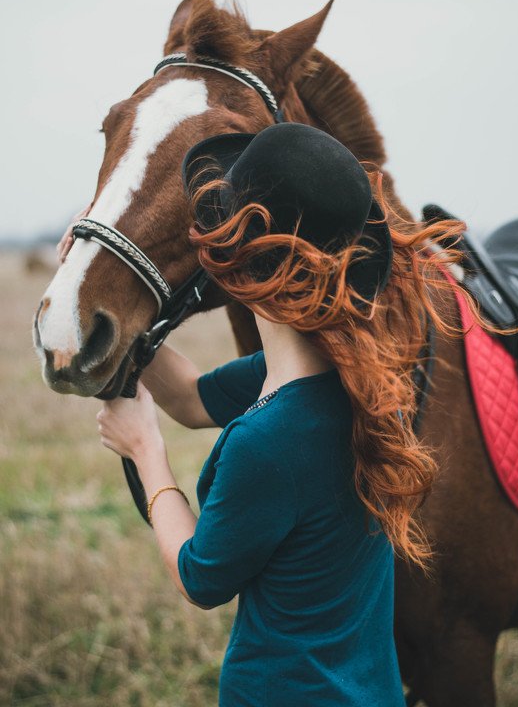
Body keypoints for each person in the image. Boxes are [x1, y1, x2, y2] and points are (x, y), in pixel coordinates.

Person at [92, 123, 466, 706]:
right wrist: (111, 301)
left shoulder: (264, 443)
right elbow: (190, 398)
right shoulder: (355, 381)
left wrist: (146, 453)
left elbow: (200, 578)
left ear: (244, 267)